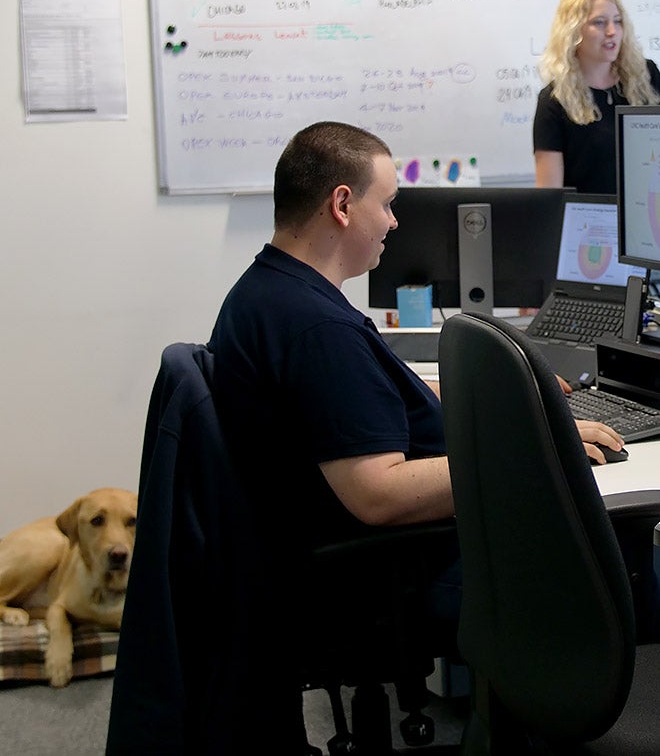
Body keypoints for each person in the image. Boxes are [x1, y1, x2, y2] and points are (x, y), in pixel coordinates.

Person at [208, 121, 624, 579]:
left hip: (349, 550)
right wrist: (539, 451)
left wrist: (511, 400)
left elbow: (369, 398)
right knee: (616, 543)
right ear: (342, 204)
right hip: (401, 567)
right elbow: (378, 494)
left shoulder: (270, 291)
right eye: (386, 204)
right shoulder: (316, 329)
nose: (393, 220)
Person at [533, 0, 660, 194]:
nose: (612, 31)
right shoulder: (555, 100)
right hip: (591, 222)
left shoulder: (646, 76)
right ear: (573, 32)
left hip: (646, 212)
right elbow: (549, 196)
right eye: (599, 23)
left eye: (618, 22)